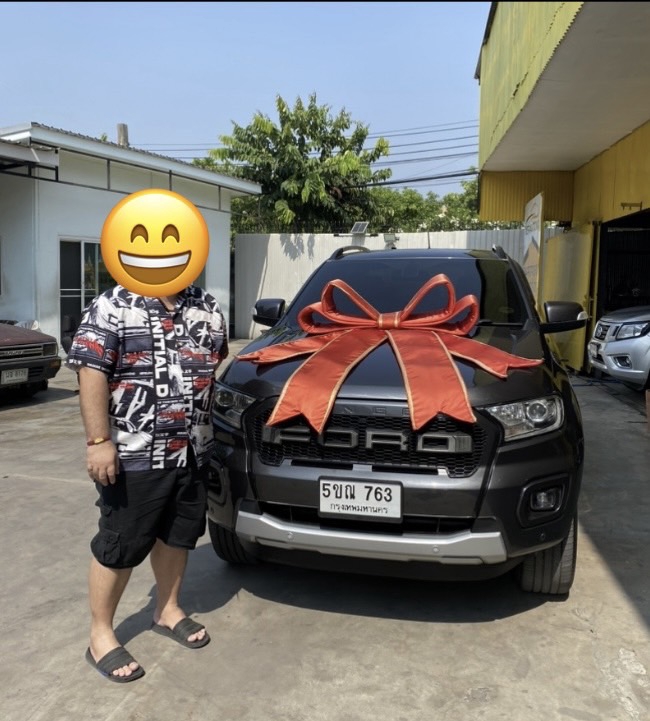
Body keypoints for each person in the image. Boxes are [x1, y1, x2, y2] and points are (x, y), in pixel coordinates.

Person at [66, 283, 228, 683]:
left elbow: (213, 367)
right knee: (120, 543)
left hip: (192, 449)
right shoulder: (113, 304)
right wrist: (99, 442)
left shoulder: (205, 304)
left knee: (178, 534)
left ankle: (167, 609)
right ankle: (100, 635)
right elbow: (91, 373)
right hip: (134, 454)